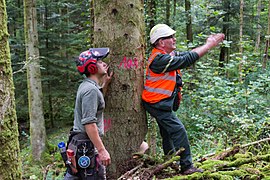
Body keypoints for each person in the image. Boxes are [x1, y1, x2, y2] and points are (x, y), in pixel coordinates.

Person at [142, 24, 225, 175]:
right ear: (161, 42)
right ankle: (186, 166)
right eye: (171, 37)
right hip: (156, 103)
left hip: (159, 102)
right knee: (179, 131)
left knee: (167, 132)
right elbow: (187, 59)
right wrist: (208, 45)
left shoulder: (167, 56)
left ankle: (170, 160)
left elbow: (187, 54)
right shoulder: (159, 59)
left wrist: (207, 46)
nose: (174, 39)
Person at [64, 48, 113, 180]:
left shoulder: (89, 86)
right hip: (85, 145)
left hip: (80, 143)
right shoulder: (90, 90)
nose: (104, 64)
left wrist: (105, 84)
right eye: (99, 61)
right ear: (91, 67)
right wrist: (102, 150)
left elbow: (96, 103)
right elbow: (89, 123)